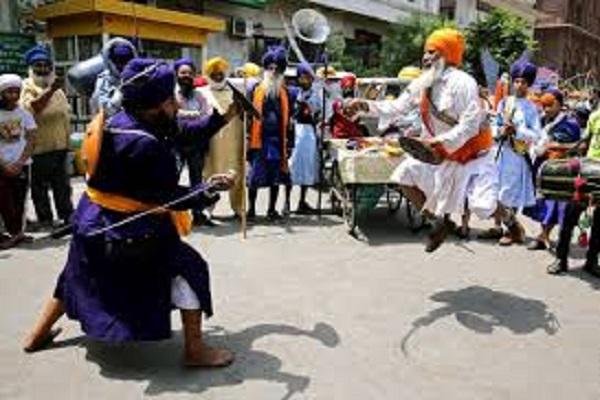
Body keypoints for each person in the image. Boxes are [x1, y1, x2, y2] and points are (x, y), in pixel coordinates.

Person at [22, 58, 238, 367]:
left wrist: (224, 116)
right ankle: (195, 351)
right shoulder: (146, 145)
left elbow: (183, 131)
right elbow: (171, 198)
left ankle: (36, 334)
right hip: (126, 236)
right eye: (170, 101)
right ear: (154, 106)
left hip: (89, 223)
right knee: (191, 269)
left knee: (75, 273)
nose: (176, 106)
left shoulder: (120, 118)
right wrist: (212, 187)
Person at [347, 28, 522, 252]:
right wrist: (365, 106)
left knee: (482, 207)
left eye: (432, 52)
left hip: (475, 156)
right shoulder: (422, 83)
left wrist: (437, 142)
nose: (425, 57)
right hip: (444, 154)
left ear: (447, 54)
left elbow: (469, 125)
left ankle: (509, 220)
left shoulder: (463, 82)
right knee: (403, 177)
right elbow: (396, 108)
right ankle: (439, 223)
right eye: (425, 52)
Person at [477, 61, 541, 245]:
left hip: (516, 155)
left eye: (523, 82)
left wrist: (517, 131)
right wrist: (500, 131)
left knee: (509, 192)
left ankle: (509, 229)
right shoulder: (504, 102)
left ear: (529, 85)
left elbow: (536, 134)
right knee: (495, 190)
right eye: (517, 81)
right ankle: (497, 227)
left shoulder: (531, 108)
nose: (519, 85)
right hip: (500, 151)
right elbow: (495, 125)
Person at [20, 44, 74, 232]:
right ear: (31, 68)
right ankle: (45, 219)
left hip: (60, 147)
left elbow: (65, 116)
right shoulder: (26, 87)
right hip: (38, 149)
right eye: (38, 65)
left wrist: (68, 144)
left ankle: (67, 216)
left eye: (46, 65)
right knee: (40, 188)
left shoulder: (57, 89)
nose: (43, 69)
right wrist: (50, 90)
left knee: (62, 186)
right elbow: (33, 108)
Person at [546, 101, 600, 276]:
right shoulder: (595, 115)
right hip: (587, 172)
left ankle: (591, 262)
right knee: (569, 217)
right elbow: (586, 143)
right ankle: (561, 260)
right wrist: (567, 151)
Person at [527, 88, 581, 250]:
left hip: (561, 171)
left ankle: (545, 237)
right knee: (543, 202)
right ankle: (543, 235)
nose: (546, 109)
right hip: (542, 167)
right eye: (544, 106)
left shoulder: (571, 124)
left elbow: (577, 147)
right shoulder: (542, 121)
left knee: (556, 204)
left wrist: (556, 146)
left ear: (559, 104)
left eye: (550, 105)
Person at [247, 46, 294, 222]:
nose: (274, 71)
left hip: (277, 142)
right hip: (259, 141)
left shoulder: (285, 92)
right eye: (271, 68)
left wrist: (289, 143)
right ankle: (251, 210)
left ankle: (271, 210)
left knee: (275, 178)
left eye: (278, 68)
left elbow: (289, 119)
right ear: (266, 68)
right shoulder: (255, 89)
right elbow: (247, 117)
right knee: (255, 178)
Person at [172, 57, 215, 226]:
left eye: (190, 73)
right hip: (176, 143)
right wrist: (194, 115)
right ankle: (171, 215)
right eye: (183, 73)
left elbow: (207, 114)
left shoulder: (200, 96)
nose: (186, 76)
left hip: (196, 144)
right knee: (172, 179)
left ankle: (197, 213)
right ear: (177, 74)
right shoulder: (171, 95)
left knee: (197, 180)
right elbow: (174, 114)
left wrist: (186, 115)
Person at [201, 57, 245, 219]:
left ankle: (239, 207)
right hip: (212, 140)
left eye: (220, 73)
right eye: (214, 74)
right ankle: (208, 208)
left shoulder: (235, 92)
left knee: (236, 173)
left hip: (234, 139)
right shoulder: (202, 93)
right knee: (210, 173)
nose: (218, 76)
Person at [0, 74, 36, 249]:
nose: (13, 95)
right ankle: (5, 234)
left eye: (16, 91)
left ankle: (17, 233)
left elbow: (31, 139)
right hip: (2, 166)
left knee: (20, 200)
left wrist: (21, 161)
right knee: (4, 201)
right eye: (9, 92)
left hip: (22, 165)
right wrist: (4, 165)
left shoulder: (24, 114)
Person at [285, 62, 322, 215]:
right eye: (303, 77)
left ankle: (302, 202)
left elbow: (318, 112)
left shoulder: (316, 94)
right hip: (295, 131)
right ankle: (286, 203)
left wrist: (312, 110)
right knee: (291, 167)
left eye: (308, 77)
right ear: (299, 78)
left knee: (307, 166)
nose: (306, 80)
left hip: (309, 133)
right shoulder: (293, 93)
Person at [89, 37, 137, 116]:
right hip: (112, 126)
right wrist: (119, 94)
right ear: (111, 61)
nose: (123, 66)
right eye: (119, 62)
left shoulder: (138, 76)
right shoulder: (104, 80)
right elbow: (103, 111)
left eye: (126, 61)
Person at [330, 74, 365, 139]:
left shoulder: (357, 102)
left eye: (350, 87)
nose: (348, 90)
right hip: (340, 134)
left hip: (353, 134)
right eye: (346, 87)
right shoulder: (336, 102)